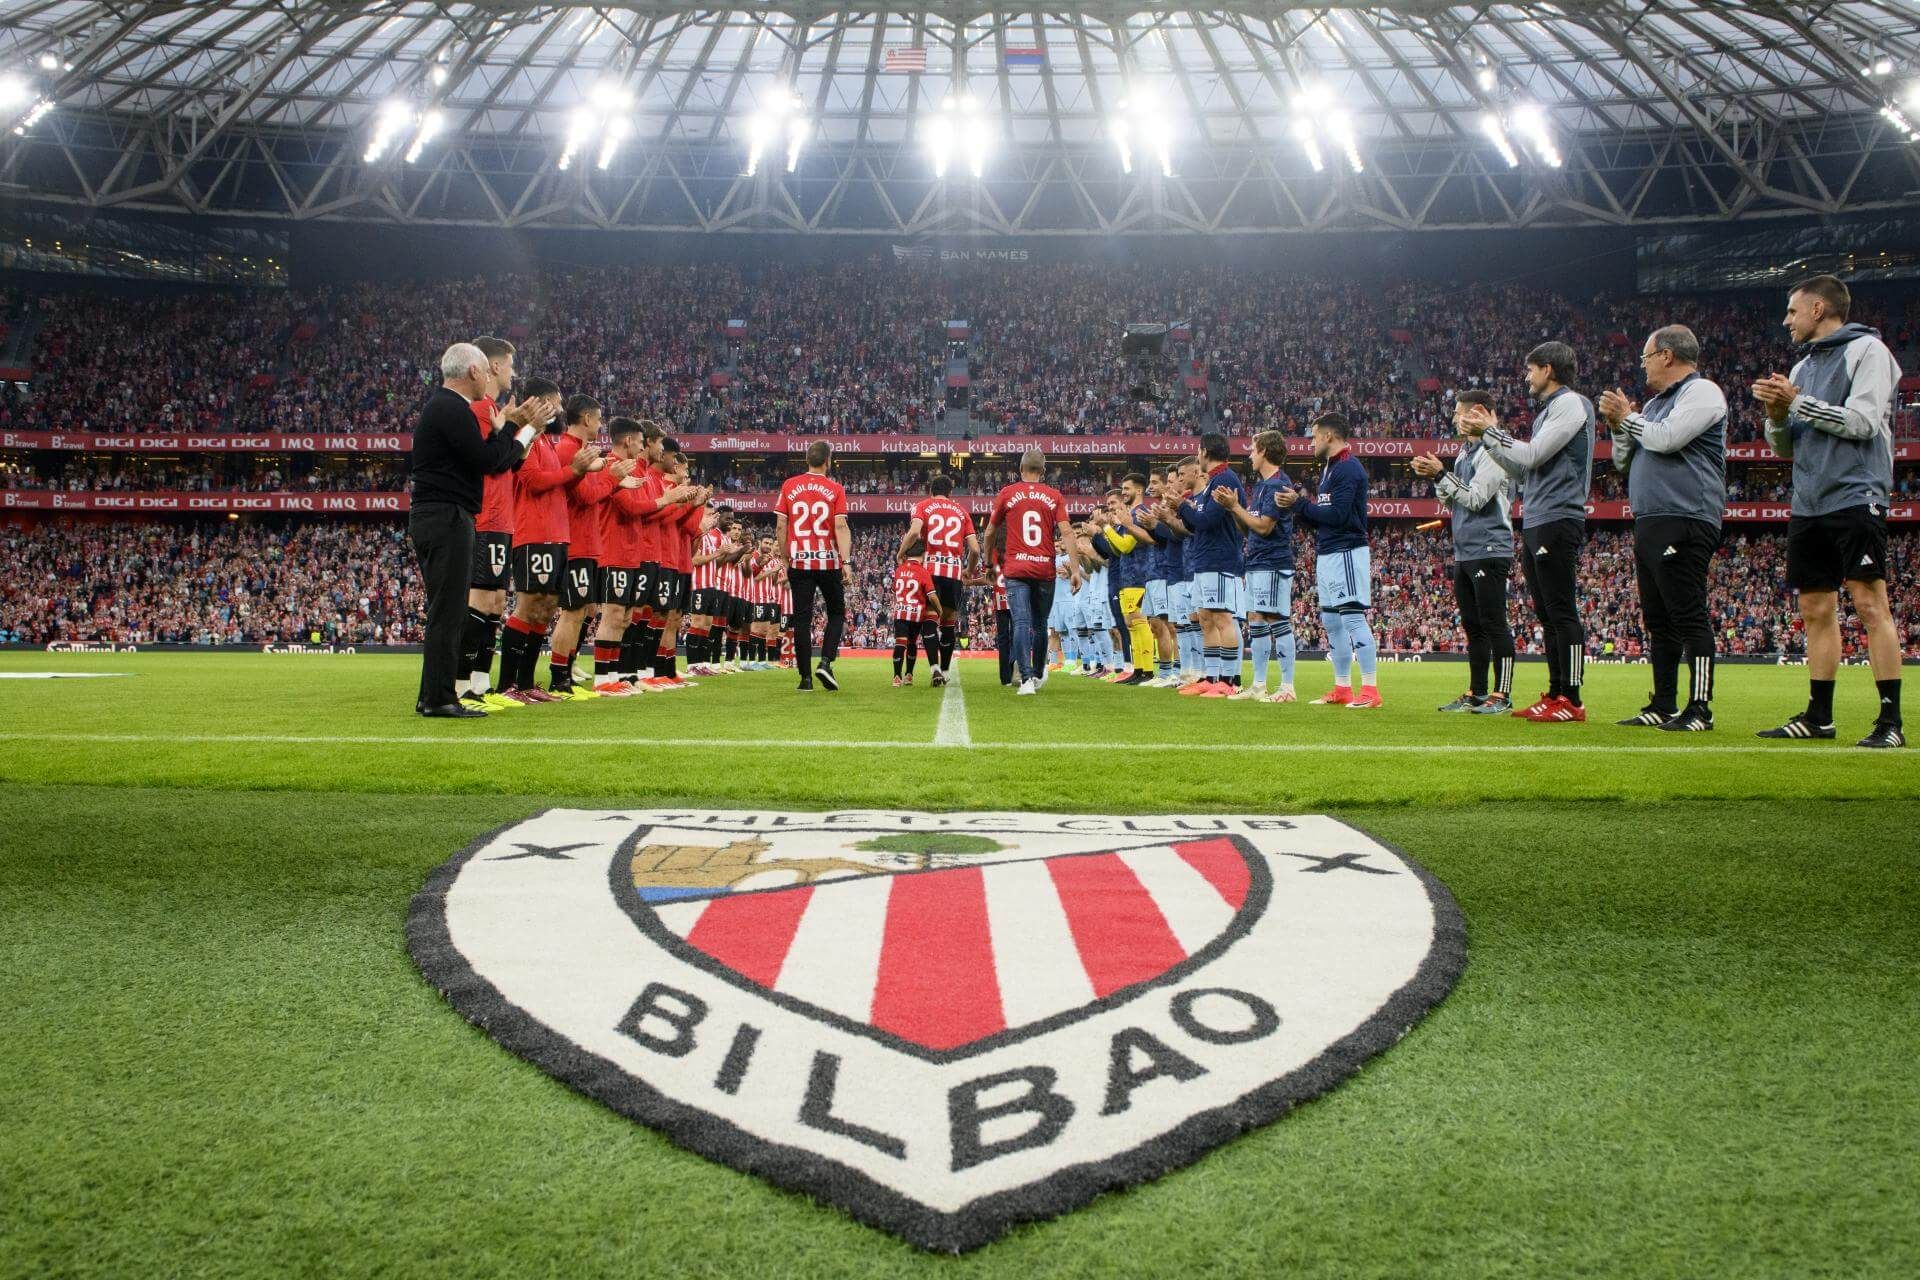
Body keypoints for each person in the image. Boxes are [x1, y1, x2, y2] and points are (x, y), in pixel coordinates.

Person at [1752, 274, 1905, 748]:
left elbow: (1862, 423)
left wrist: (1797, 402)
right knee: (1815, 607)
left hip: (1856, 494)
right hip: (1809, 500)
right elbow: (1783, 449)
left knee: (1868, 602)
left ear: (1818, 309)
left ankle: (1890, 723)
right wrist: (1777, 416)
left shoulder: (1869, 353)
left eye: (1792, 311)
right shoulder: (1799, 370)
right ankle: (1819, 717)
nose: (1786, 321)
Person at [407, 342, 550, 717]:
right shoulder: (453, 409)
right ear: (472, 371)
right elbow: (489, 460)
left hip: (440, 514)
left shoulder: (445, 408)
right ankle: (439, 697)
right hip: (447, 516)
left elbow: (492, 457)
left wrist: (514, 427)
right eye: (485, 370)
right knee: (449, 610)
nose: (489, 377)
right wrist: (518, 427)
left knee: (447, 609)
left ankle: (433, 695)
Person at [1600, 324, 1728, 732]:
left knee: (1688, 614)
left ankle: (1700, 709)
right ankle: (1663, 703)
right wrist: (1620, 426)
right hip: (1652, 518)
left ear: (1667, 356)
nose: (1643, 367)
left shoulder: (1702, 391)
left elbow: (1668, 439)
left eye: (1646, 358)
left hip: (1686, 515)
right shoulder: (1654, 405)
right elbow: (1625, 460)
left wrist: (1630, 418)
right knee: (1658, 619)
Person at [1467, 341, 1594, 723]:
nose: (1526, 377)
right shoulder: (1548, 413)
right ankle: (1555, 693)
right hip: (1538, 516)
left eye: (1530, 369)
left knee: (1560, 610)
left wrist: (1492, 432)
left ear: (1549, 369)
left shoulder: (1571, 404)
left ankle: (1571, 699)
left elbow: (1533, 455)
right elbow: (1524, 469)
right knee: (1547, 612)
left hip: (1558, 516)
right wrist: (1492, 439)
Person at [1413, 390, 1515, 714]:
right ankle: (1478, 692)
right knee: (1473, 624)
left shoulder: (1494, 450)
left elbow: (1474, 499)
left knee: (1494, 622)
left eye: (1459, 412)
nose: (1454, 418)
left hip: (1490, 546)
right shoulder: (1464, 453)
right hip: (1465, 549)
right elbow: (1449, 501)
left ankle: (1503, 693)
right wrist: (1436, 478)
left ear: (1477, 413)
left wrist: (1442, 475)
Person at [1279, 413, 1381, 708]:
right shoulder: (1329, 469)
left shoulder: (1349, 469)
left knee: (1351, 617)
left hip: (1347, 551)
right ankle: (1343, 688)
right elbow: (1322, 519)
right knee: (1331, 621)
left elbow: (1337, 516)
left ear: (1329, 436)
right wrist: (1297, 508)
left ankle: (1371, 690)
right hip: (1328, 552)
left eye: (1313, 436)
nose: (1310, 442)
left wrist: (1300, 503)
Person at [496, 376, 574, 703]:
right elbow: (533, 481)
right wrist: (575, 471)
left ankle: (526, 683)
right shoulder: (523, 437)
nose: (559, 409)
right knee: (528, 605)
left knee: (545, 608)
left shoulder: (546, 441)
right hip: (533, 532)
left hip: (555, 533)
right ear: (540, 403)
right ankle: (506, 685)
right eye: (555, 402)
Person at [458, 335, 524, 705]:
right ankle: (461, 681)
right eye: (510, 365)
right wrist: (513, 428)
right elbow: (490, 460)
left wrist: (521, 430)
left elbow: (511, 461)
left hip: (503, 521)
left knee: (496, 603)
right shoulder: (482, 409)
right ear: (495, 366)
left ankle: (481, 682)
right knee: (481, 601)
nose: (513, 373)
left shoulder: (495, 409)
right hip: (486, 517)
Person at [548, 393, 627, 698]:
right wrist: (612, 480)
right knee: (572, 613)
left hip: (586, 542)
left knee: (580, 612)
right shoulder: (570, 449)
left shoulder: (581, 449)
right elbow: (586, 497)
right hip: (576, 542)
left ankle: (565, 673)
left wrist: (607, 478)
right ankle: (559, 677)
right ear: (587, 419)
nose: (601, 424)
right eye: (598, 418)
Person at [986, 449, 1082, 695]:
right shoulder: (1054, 496)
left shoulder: (1008, 493)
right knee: (1040, 624)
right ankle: (1038, 673)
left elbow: (989, 532)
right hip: (1043, 567)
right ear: (1043, 471)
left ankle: (1026, 680)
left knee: (1020, 622)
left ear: (1020, 470)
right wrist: (1075, 569)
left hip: (1016, 568)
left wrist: (988, 562)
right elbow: (1068, 533)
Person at [1217, 429, 1298, 703]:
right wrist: (1233, 508)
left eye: (1253, 449)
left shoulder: (1277, 485)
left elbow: (1263, 527)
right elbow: (1248, 529)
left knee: (1276, 619)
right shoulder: (1263, 485)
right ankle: (1259, 685)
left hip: (1273, 563)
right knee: (1256, 621)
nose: (1250, 454)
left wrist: (1236, 507)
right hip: (1257, 562)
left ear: (1263, 450)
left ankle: (1287, 687)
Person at [774, 441, 852, 691]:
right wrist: (846, 561)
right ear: (828, 460)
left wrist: (785, 560)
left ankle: (805, 678)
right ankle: (826, 662)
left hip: (799, 560)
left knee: (802, 620)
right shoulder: (835, 488)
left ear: (807, 459)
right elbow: (840, 526)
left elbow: (780, 527)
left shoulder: (789, 485)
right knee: (837, 612)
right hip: (827, 560)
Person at [1180, 431, 1248, 697]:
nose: (1197, 456)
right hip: (1206, 558)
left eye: (1198, 451)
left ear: (1205, 451)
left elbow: (1206, 520)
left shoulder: (1224, 479)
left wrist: (1182, 506)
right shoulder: (1213, 481)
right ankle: (1211, 677)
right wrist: (1183, 508)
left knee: (1222, 618)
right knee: (1207, 619)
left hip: (1220, 558)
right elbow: (1198, 522)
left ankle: (1228, 682)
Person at [902, 473, 979, 686]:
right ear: (950, 492)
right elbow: (975, 549)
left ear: (930, 491)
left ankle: (934, 668)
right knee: (948, 625)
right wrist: (968, 570)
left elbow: (914, 532)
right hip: (953, 573)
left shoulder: (923, 506)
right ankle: (945, 671)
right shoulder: (962, 512)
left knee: (929, 620)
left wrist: (901, 553)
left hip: (930, 571)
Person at [888, 541, 940, 686]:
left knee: (900, 643)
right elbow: (931, 596)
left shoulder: (899, 570)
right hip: (917, 614)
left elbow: (894, 590)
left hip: (901, 613)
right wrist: (939, 612)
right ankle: (909, 675)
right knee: (912, 643)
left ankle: (896, 677)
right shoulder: (923, 571)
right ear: (922, 555)